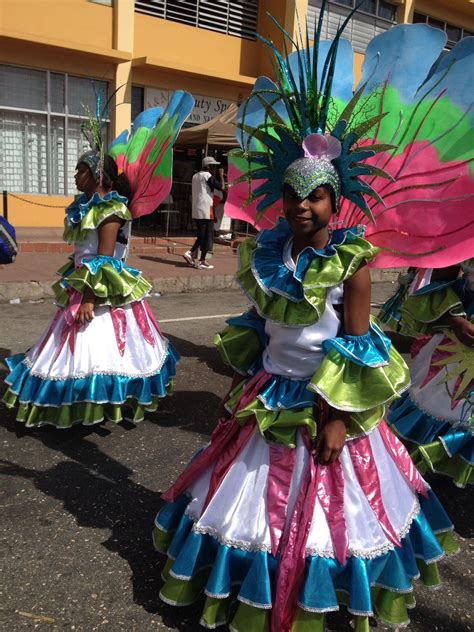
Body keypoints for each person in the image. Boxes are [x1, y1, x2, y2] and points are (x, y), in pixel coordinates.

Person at [152, 16, 462, 630]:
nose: (301, 205)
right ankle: (248, 582)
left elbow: (354, 344)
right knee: (243, 505)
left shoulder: (353, 259)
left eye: (315, 194)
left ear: (335, 196)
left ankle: (323, 590)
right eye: (293, 193)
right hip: (270, 394)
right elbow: (258, 324)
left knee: (331, 509)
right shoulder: (266, 253)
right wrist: (242, 387)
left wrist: (340, 420)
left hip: (324, 400)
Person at [2, 93, 194, 428]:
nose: (75, 177)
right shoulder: (88, 207)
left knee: (103, 351)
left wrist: (88, 297)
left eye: (80, 171)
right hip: (83, 283)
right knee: (80, 353)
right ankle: (88, 403)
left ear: (96, 175)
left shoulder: (110, 210)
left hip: (102, 290)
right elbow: (84, 252)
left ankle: (103, 402)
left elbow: (105, 260)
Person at [388, 261, 473, 487]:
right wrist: (455, 319)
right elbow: (440, 280)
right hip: (461, 346)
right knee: (442, 403)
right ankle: (405, 479)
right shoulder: (464, 232)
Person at [183, 156, 223, 270]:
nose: (215, 168)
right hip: (206, 210)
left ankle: (198, 258)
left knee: (203, 235)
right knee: (206, 236)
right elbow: (221, 187)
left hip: (197, 209)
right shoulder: (207, 176)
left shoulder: (195, 176)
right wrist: (221, 176)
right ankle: (194, 255)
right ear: (208, 167)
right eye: (214, 166)